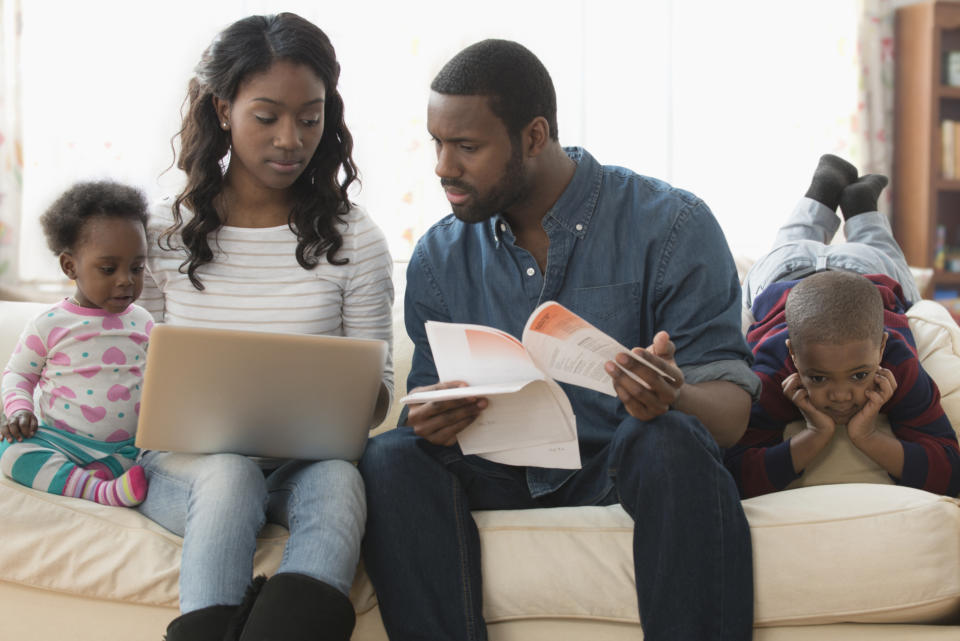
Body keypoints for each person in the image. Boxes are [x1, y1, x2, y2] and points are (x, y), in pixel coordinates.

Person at [359, 39, 759, 641]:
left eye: (467, 147)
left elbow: (730, 419)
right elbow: (424, 408)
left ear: (534, 136)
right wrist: (431, 418)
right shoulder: (439, 257)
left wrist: (673, 395)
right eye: (438, 143)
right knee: (391, 457)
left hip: (621, 470)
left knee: (671, 439)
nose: (443, 166)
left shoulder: (671, 224)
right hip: (497, 472)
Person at [134, 13, 393, 641]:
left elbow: (378, 395)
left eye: (311, 117)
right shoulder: (160, 232)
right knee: (229, 472)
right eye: (267, 116)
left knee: (338, 478)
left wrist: (347, 395)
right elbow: (126, 367)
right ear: (224, 110)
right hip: (185, 469)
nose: (291, 140)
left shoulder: (354, 237)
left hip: (304, 464)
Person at [725, 154, 960, 498]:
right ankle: (858, 203)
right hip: (834, 270)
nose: (840, 396)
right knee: (876, 249)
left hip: (795, 269)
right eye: (817, 377)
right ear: (792, 353)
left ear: (882, 346)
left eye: (860, 375)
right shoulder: (775, 372)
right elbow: (730, 475)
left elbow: (953, 475)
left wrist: (868, 437)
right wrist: (813, 436)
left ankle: (829, 192)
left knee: (799, 240)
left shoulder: (898, 362)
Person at [0, 180, 152, 507]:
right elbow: (17, 375)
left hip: (125, 451)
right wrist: (20, 410)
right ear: (70, 266)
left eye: (137, 267)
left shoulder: (144, 322)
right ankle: (99, 490)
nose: (126, 279)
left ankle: (92, 481)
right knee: (10, 453)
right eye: (109, 269)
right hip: (61, 442)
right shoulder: (49, 324)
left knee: (153, 463)